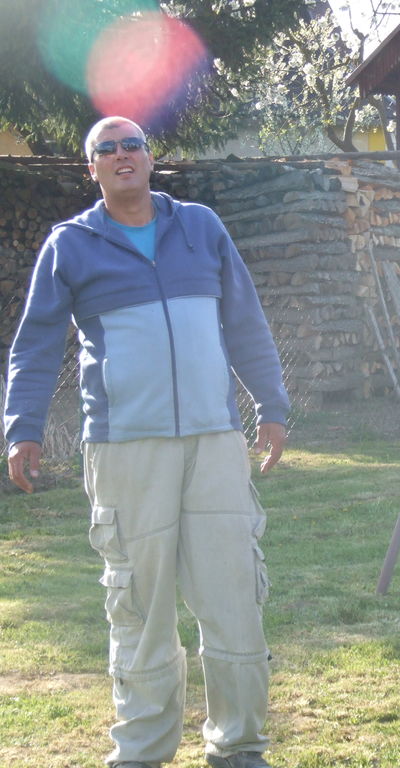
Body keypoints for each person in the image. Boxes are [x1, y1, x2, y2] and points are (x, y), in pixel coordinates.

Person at [3, 116, 289, 768]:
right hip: (125, 450)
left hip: (215, 442)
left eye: (132, 143)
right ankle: (141, 750)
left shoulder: (201, 227)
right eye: (106, 149)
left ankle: (239, 745)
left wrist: (271, 405)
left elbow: (245, 319)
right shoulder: (70, 245)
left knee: (234, 596)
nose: (121, 154)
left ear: (150, 156)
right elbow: (36, 345)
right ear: (92, 169)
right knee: (137, 603)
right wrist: (22, 428)